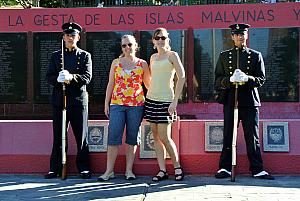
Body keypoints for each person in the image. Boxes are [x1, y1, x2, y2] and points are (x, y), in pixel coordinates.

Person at [214, 23, 274, 180]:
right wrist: (229, 80)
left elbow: (261, 79)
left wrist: (248, 78)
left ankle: (257, 169)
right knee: (228, 135)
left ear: (247, 35)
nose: (240, 37)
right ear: (232, 37)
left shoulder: (255, 55)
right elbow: (217, 80)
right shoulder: (224, 56)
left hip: (249, 102)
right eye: (237, 34)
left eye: (243, 34)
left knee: (252, 136)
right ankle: (225, 168)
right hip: (230, 101)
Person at [98, 35, 150, 181]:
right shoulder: (116, 63)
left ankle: (129, 171)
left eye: (130, 45)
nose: (127, 48)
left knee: (132, 138)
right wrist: (106, 103)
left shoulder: (142, 64)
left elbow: (148, 85)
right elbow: (110, 84)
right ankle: (109, 171)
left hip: (136, 105)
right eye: (124, 45)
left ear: (136, 45)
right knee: (113, 137)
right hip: (117, 104)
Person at [45, 22, 92, 179]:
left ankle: (84, 167)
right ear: (63, 37)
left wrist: (72, 77)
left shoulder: (85, 56)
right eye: (67, 35)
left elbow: (87, 77)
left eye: (73, 35)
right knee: (58, 136)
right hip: (60, 101)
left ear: (78, 37)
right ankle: (55, 167)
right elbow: (49, 76)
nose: (70, 38)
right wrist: (58, 80)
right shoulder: (56, 56)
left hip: (78, 101)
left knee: (81, 136)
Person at [144, 28, 186, 181]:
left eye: (163, 37)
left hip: (166, 101)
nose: (160, 40)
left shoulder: (172, 55)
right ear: (154, 41)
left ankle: (177, 167)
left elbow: (182, 77)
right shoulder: (153, 57)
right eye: (157, 38)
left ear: (168, 39)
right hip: (151, 100)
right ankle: (162, 170)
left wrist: (175, 101)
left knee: (165, 137)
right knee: (155, 136)